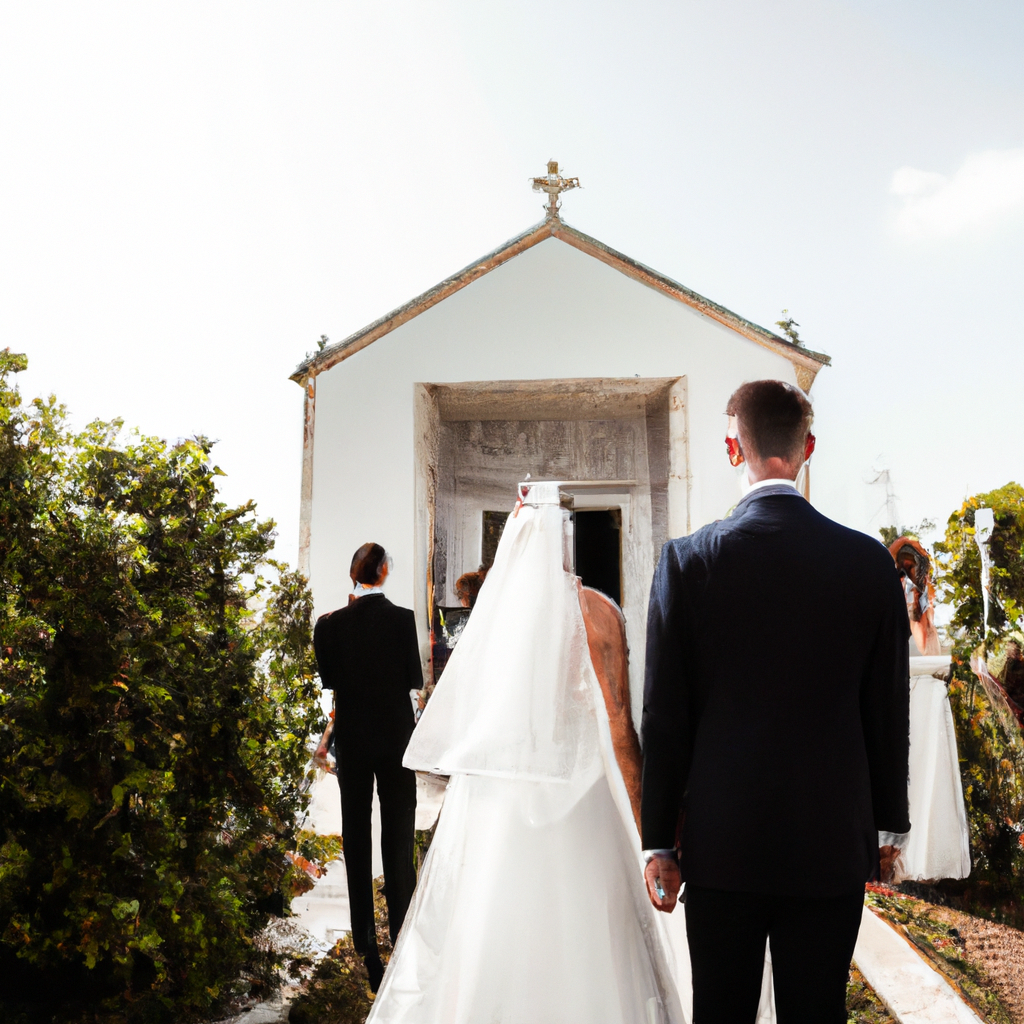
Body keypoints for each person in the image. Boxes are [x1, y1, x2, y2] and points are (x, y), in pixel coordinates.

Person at [365, 482, 693, 1024]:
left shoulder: (494, 623)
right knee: (592, 941)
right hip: (584, 804)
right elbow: (619, 726)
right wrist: (648, 834)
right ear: (565, 539)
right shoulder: (598, 613)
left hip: (502, 811)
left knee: (486, 938)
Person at [641, 380, 911, 1024]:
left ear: (734, 449)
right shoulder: (868, 563)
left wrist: (659, 842)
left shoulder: (686, 562)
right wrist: (887, 828)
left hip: (722, 842)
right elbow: (887, 709)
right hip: (830, 843)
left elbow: (665, 715)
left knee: (723, 1014)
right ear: (808, 448)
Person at [312, 542, 423, 992]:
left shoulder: (329, 625)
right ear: (382, 572)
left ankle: (366, 950)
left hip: (354, 741)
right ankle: (401, 934)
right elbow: (414, 679)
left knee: (356, 837)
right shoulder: (402, 619)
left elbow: (330, 680)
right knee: (398, 838)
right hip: (396, 740)